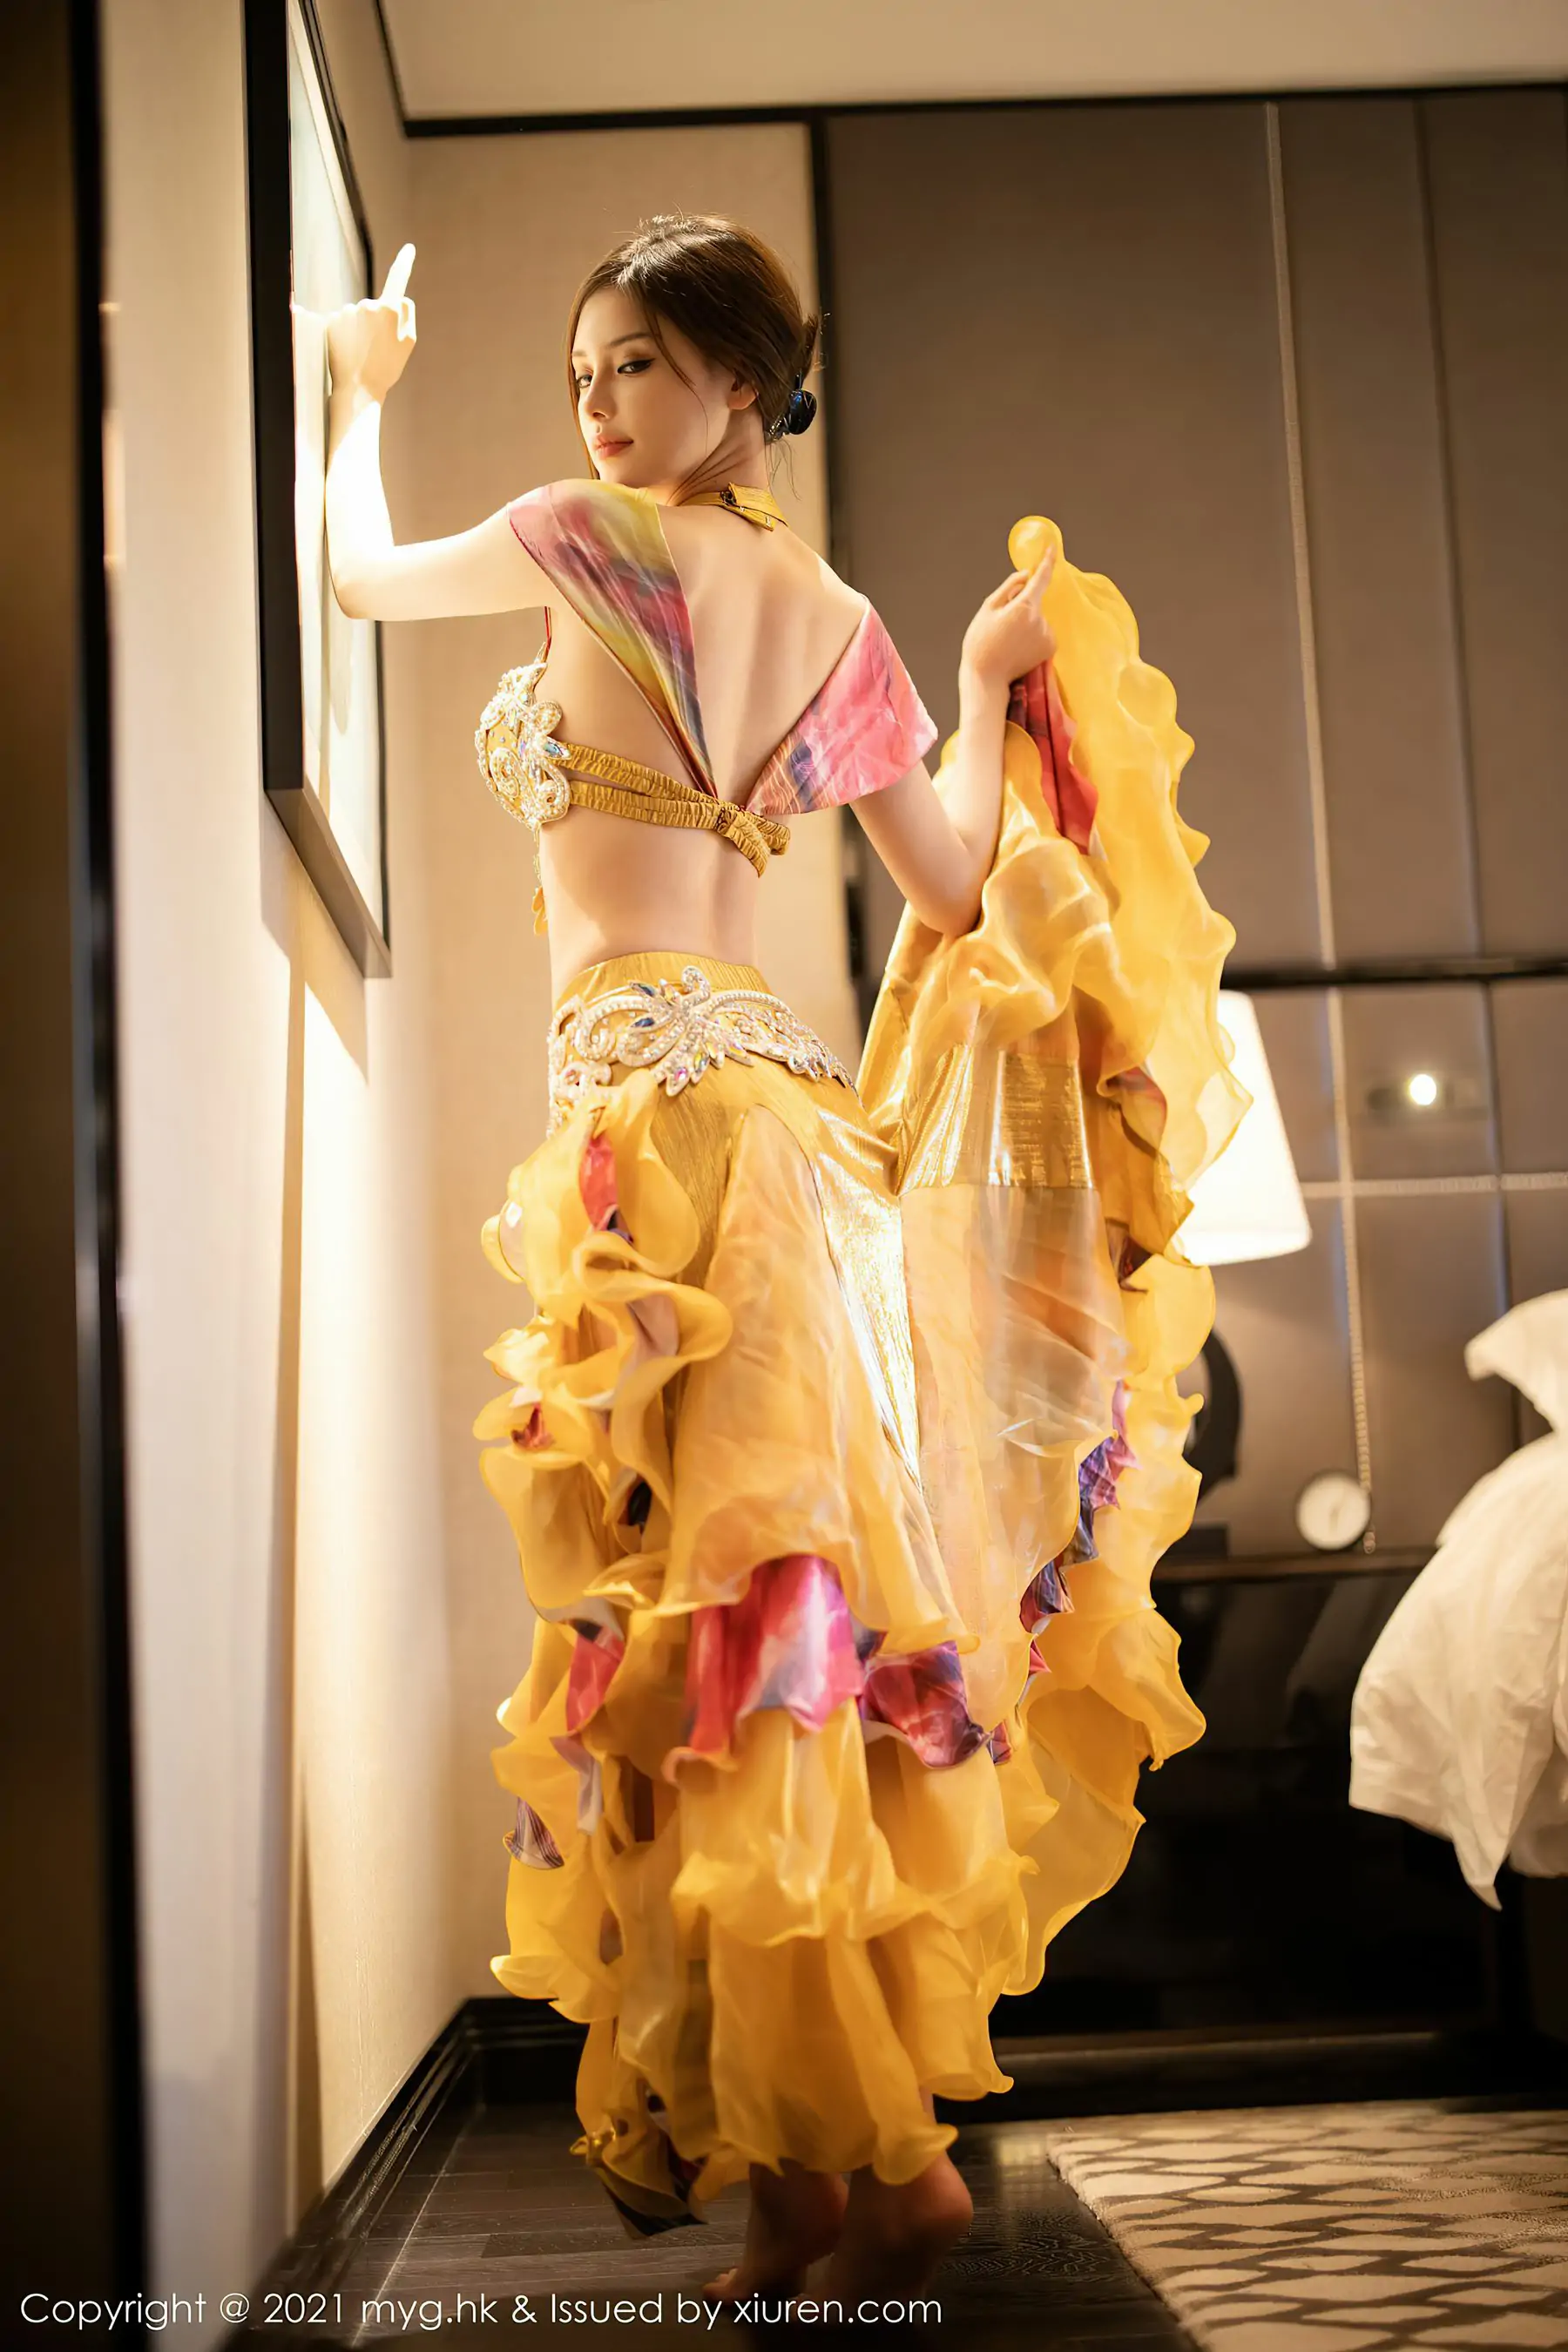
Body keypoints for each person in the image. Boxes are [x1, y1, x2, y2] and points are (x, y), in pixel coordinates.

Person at [325, 213, 1248, 2305]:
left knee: (744, 1645)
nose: (599, 407)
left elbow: (361, 581)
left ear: (743, 382)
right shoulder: (833, 617)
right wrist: (984, 691)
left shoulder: (589, 540)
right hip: (780, 1127)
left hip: (676, 1136)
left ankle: (879, 2173)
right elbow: (955, 882)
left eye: (639, 365)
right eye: (583, 375)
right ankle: (809, 2180)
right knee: (771, 1641)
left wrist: (356, 401)